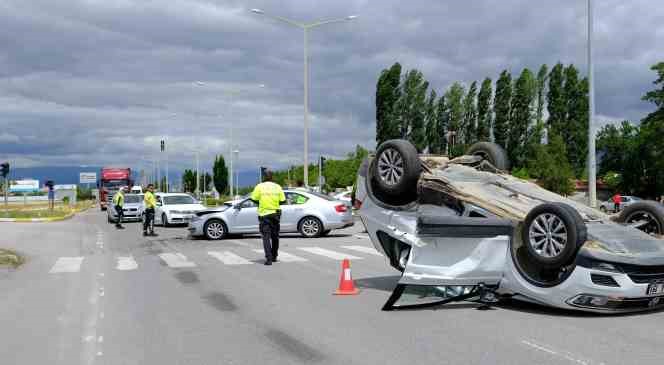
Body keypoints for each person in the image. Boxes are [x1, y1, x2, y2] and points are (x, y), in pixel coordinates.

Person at [250, 170, 286, 265]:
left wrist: (260, 203)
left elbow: (253, 198)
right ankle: (274, 256)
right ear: (272, 177)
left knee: (266, 237)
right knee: (275, 237)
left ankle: (269, 259)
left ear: (264, 177)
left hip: (264, 215)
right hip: (275, 214)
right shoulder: (277, 187)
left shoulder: (259, 186)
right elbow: (283, 200)